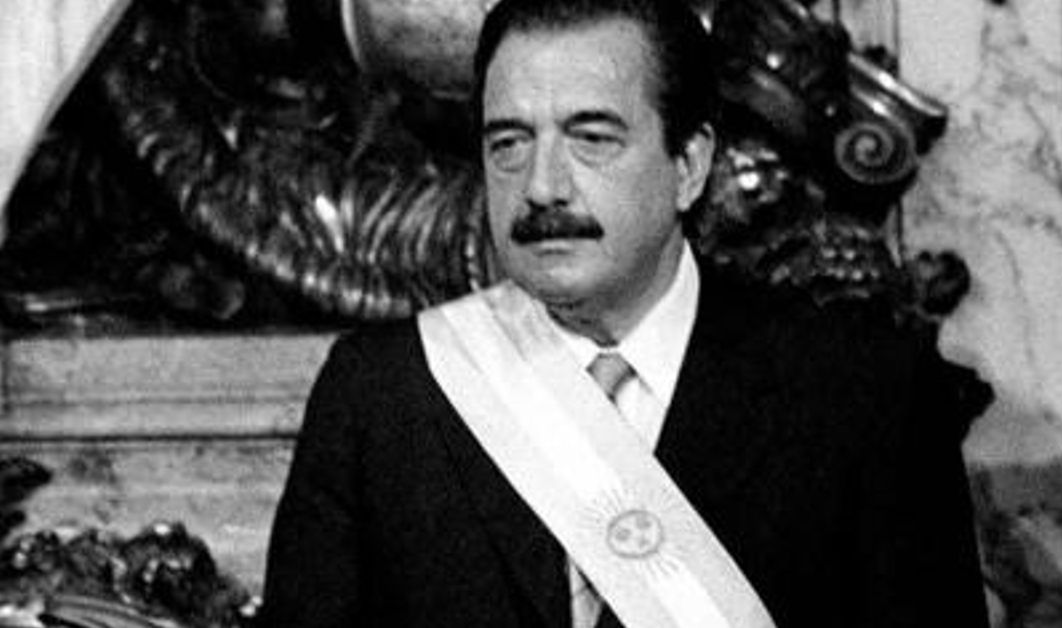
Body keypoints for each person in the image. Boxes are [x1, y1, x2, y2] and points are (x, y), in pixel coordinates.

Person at [258, 0, 989, 626]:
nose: (542, 187)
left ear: (689, 166)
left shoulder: (861, 395)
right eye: (509, 143)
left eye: (592, 138)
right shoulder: (381, 395)